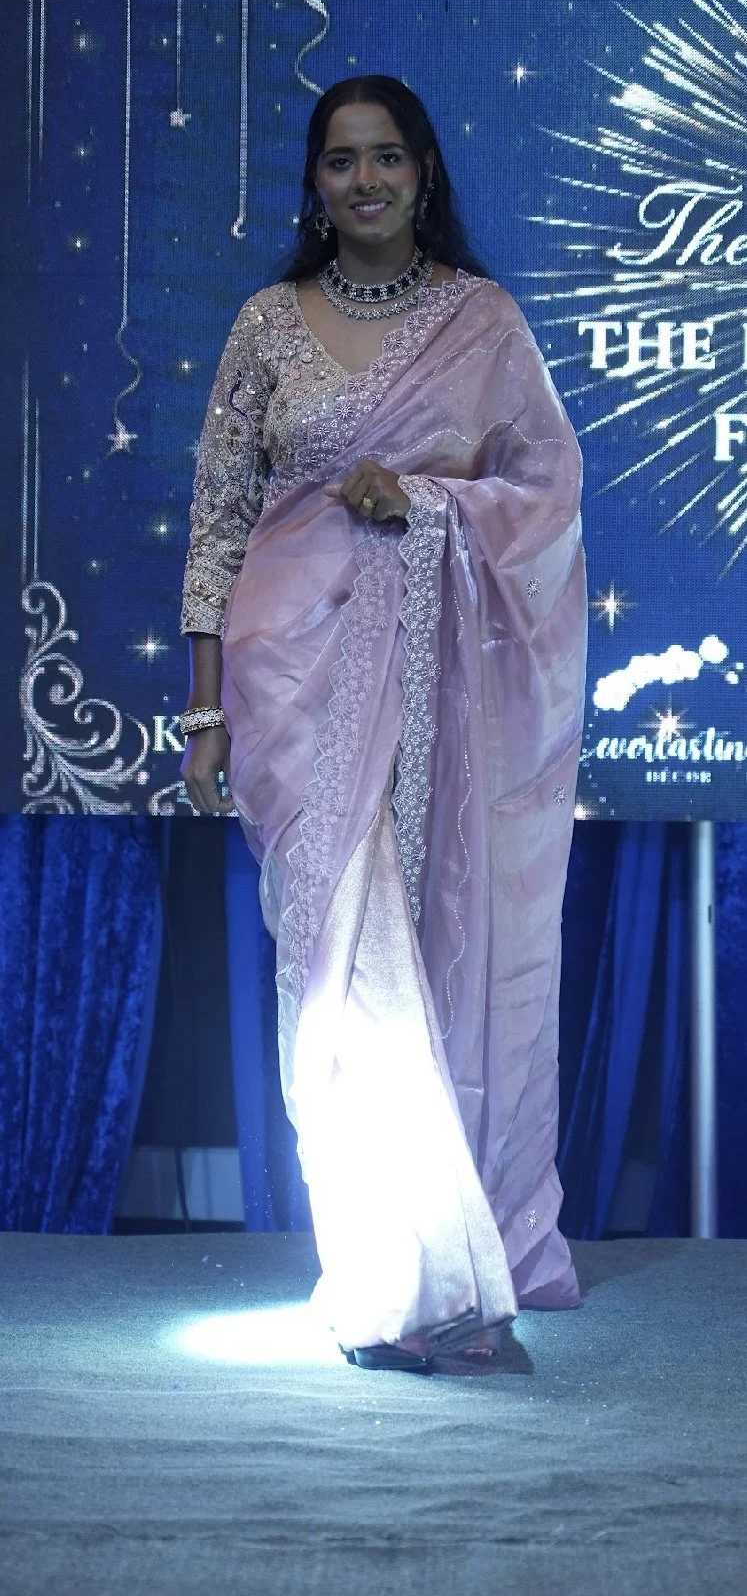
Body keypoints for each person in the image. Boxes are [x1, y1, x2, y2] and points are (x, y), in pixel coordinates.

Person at [179, 76, 587, 1374]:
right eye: (339, 162)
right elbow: (215, 524)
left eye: (385, 161)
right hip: (286, 673)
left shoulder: (480, 322)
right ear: (313, 184)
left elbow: (547, 492)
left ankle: (417, 1275)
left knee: (412, 948)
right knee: (332, 964)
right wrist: (201, 711)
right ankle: (395, 1270)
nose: (361, 182)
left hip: (432, 675)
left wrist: (422, 499)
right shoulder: (262, 325)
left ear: (421, 175)